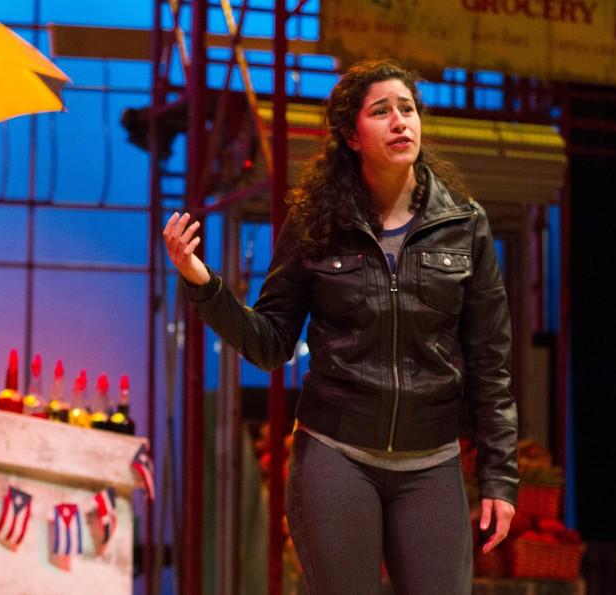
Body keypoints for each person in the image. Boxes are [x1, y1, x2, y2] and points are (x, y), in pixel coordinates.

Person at [163, 60, 518, 594]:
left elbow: (491, 361)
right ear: (352, 136)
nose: (401, 121)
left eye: (409, 109)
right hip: (336, 456)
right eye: (382, 111)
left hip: (432, 462)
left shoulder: (465, 226)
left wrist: (501, 475)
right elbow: (271, 343)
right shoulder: (315, 225)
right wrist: (202, 282)